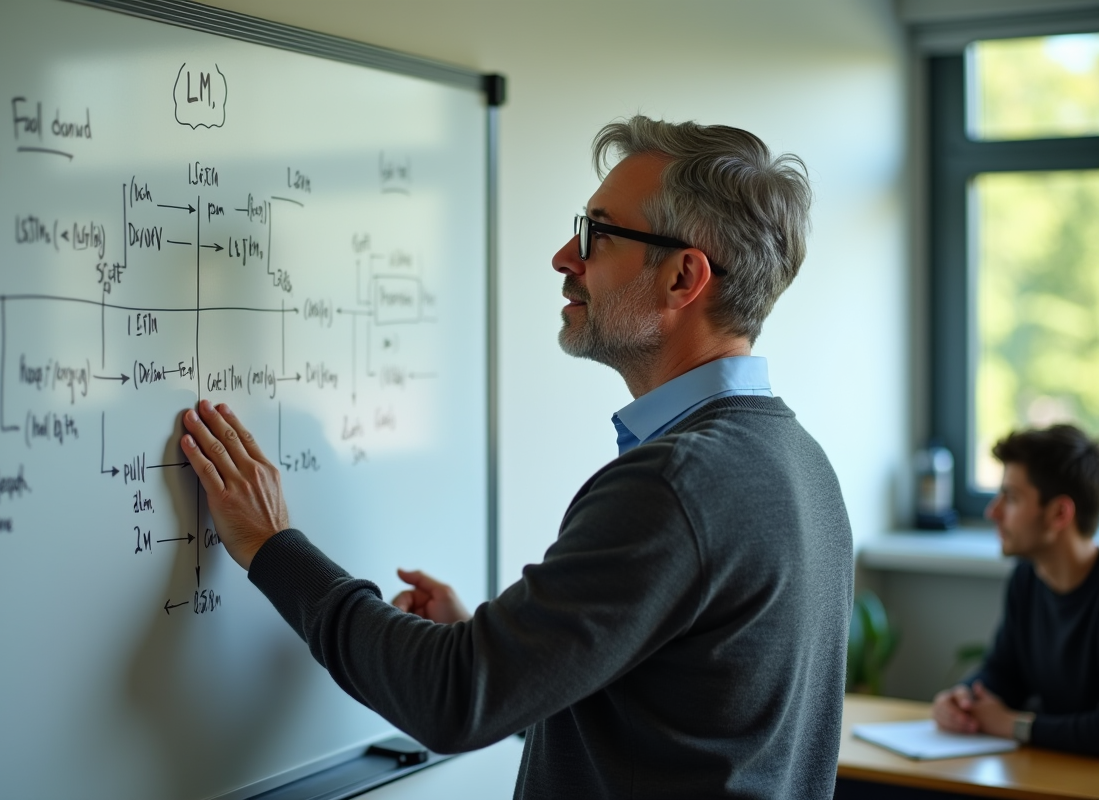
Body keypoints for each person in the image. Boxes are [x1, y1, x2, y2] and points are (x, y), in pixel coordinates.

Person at [179, 116, 854, 798]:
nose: (564, 257)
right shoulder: (800, 462)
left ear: (683, 277)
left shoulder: (676, 486)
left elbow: (451, 700)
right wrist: (503, 656)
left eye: (597, 234)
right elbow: (673, 730)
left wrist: (272, 547)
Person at [932, 425, 1099, 756]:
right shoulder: (1027, 579)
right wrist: (963, 699)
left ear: (1059, 514)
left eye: (1011, 498)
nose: (992, 511)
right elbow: (1003, 672)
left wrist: (1015, 726)